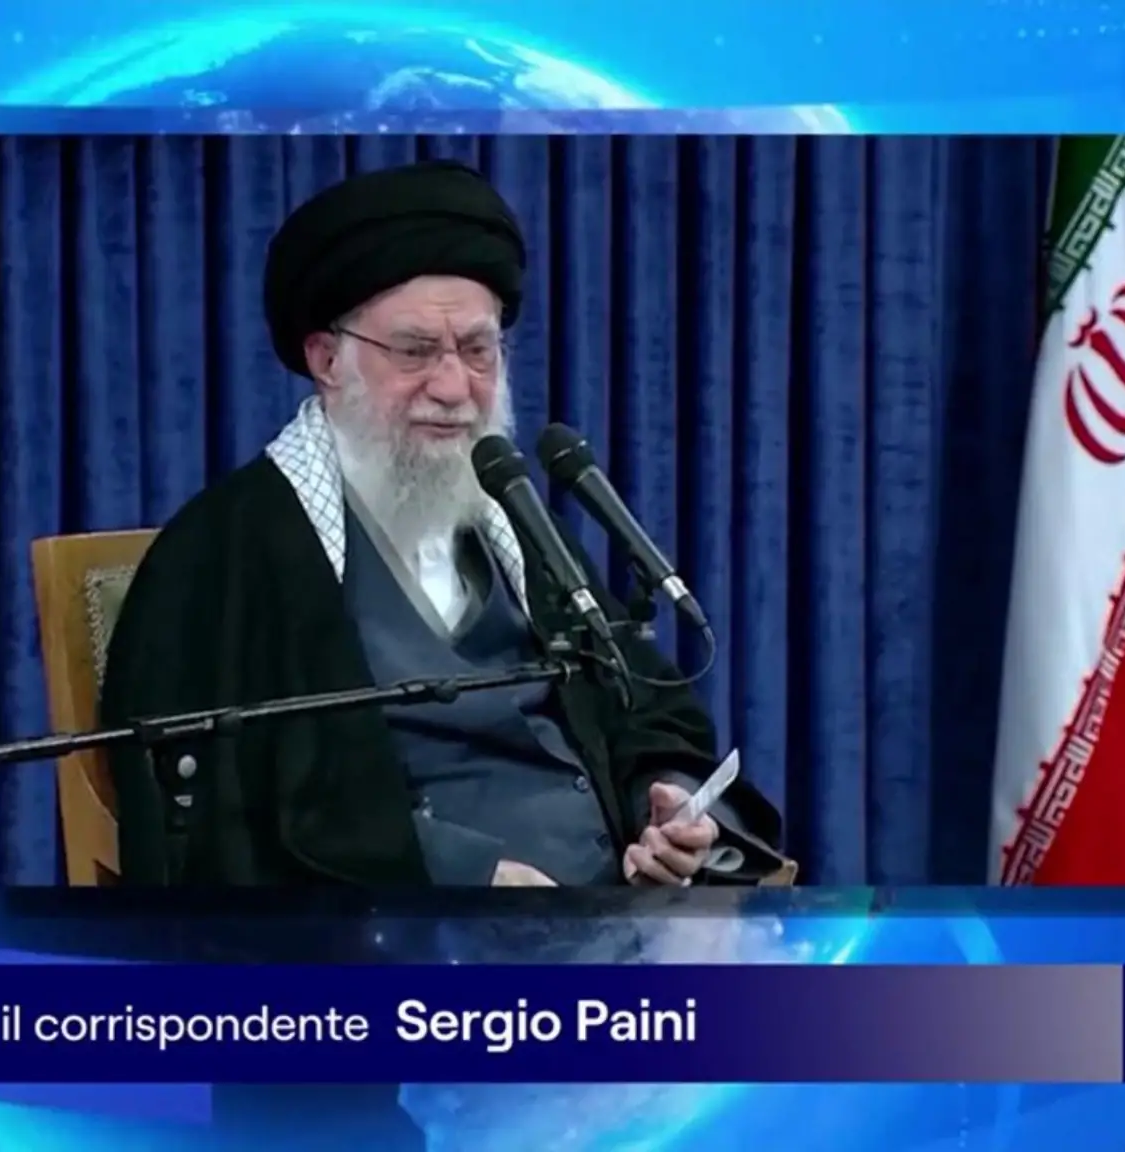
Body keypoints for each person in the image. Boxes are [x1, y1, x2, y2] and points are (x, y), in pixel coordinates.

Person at [100, 161, 788, 889]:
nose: (455, 387)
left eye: (478, 350)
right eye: (416, 351)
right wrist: (468, 873)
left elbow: (645, 708)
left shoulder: (516, 526)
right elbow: (227, 805)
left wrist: (668, 802)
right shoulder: (229, 550)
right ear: (327, 359)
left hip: (615, 912)